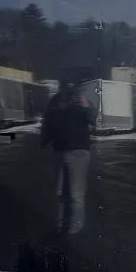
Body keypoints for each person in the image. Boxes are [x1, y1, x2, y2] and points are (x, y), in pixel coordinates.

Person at [41, 79, 97, 234]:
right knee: (59, 192)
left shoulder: (82, 101)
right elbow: (47, 123)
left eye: (71, 86)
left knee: (75, 194)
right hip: (59, 151)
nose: (67, 89)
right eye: (64, 86)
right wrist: (43, 141)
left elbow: (94, 120)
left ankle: (76, 226)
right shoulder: (54, 102)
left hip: (78, 152)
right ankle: (60, 223)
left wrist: (87, 108)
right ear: (61, 87)